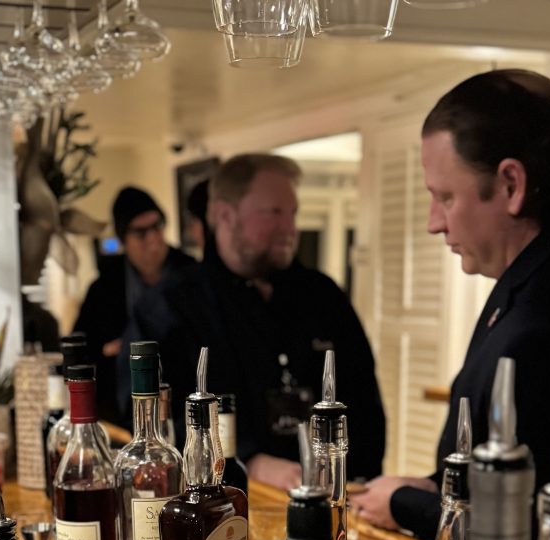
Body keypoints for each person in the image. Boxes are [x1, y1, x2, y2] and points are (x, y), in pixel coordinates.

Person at [351, 69, 550, 540]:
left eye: (445, 196)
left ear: (511, 184)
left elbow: (535, 522)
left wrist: (406, 504)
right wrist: (434, 487)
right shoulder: (533, 280)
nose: (433, 223)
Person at [121, 153, 385, 489]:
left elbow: (365, 402)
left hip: (332, 500)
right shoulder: (169, 305)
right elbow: (152, 421)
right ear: (225, 215)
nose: (291, 228)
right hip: (223, 501)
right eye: (274, 213)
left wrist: (358, 479)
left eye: (293, 213)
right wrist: (247, 459)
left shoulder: (323, 295)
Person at [73, 186, 194, 425]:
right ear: (123, 240)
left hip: (182, 404)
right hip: (122, 408)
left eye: (157, 226)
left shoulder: (190, 274)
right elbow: (81, 348)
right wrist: (111, 351)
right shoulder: (105, 286)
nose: (153, 238)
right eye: (141, 232)